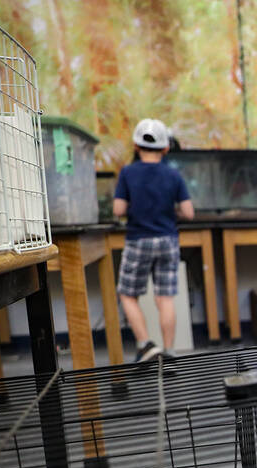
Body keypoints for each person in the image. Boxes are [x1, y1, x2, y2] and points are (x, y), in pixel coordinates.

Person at [113, 118, 193, 361]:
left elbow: (118, 209)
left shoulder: (127, 173)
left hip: (138, 239)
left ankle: (146, 344)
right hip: (167, 240)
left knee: (128, 295)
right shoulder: (173, 175)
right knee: (165, 298)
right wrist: (171, 211)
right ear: (166, 148)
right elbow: (188, 212)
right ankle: (169, 351)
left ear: (136, 146)